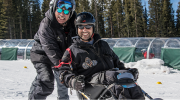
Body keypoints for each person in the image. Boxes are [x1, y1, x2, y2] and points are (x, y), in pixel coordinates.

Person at [56, 12, 145, 99]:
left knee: (127, 77)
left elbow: (117, 63)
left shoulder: (103, 45)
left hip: (109, 84)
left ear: (93, 28)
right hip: (89, 87)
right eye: (81, 27)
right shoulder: (72, 50)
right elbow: (63, 72)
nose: (84, 30)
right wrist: (72, 81)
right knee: (114, 77)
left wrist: (128, 72)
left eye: (88, 26)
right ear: (77, 29)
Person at [28, 0, 77, 100]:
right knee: (46, 80)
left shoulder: (74, 24)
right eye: (59, 10)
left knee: (63, 79)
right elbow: (50, 47)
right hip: (42, 54)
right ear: (54, 8)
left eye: (66, 12)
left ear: (70, 13)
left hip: (61, 54)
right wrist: (63, 66)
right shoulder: (46, 24)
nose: (62, 14)